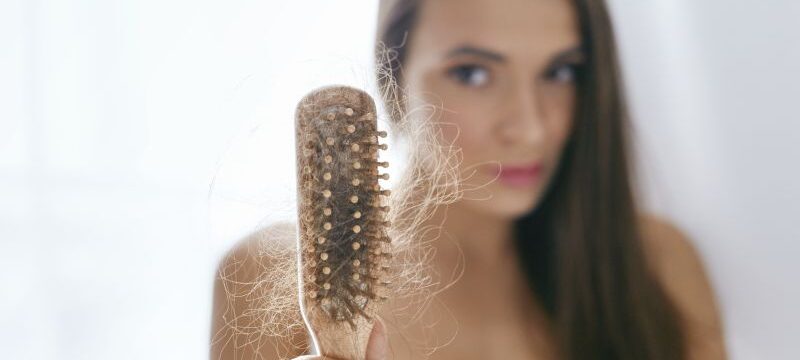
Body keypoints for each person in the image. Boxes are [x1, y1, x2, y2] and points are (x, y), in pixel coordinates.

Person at [211, 0, 728, 359]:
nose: (528, 126)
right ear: (395, 75)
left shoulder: (657, 267)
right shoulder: (267, 278)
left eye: (562, 72)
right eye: (473, 73)